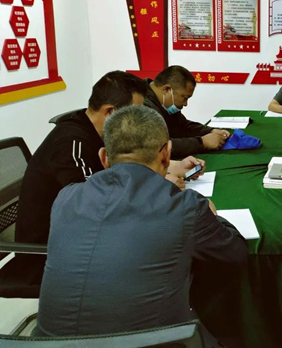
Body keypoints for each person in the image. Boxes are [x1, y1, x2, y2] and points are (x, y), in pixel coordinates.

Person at [35, 106, 247, 345]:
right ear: (166, 154)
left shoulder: (66, 198)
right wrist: (212, 214)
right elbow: (234, 253)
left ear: (104, 158)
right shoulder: (185, 207)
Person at [14, 71, 202, 287]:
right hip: (50, 254)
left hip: (86, 238)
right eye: (134, 114)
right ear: (110, 112)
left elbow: (124, 172)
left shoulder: (98, 130)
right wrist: (157, 186)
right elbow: (96, 205)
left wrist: (170, 165)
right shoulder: (71, 143)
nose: (139, 122)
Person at [144, 65, 231, 158]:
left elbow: (183, 126)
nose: (185, 104)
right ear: (167, 89)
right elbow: (159, 147)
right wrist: (202, 142)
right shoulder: (141, 105)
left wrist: (210, 131)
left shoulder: (163, 103)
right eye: (185, 98)